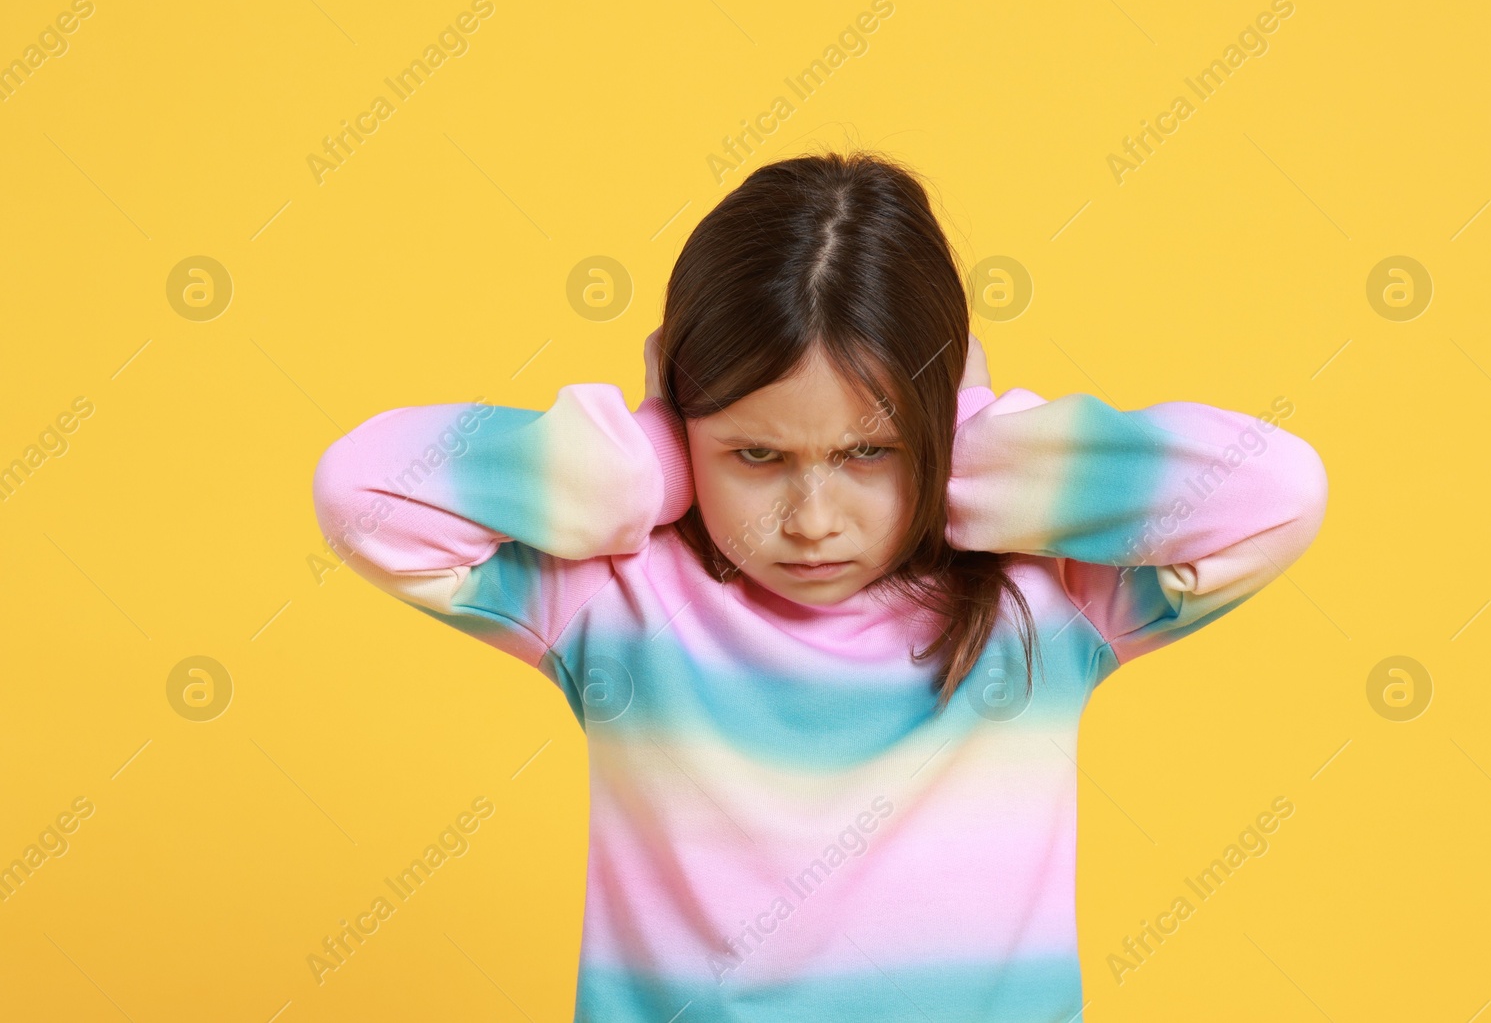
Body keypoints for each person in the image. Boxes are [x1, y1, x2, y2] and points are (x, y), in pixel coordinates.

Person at [310, 149, 1328, 1021]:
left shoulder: (1046, 600)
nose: (810, 519)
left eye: (869, 452)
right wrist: (638, 466)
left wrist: (967, 453)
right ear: (679, 420)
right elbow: (361, 490)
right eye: (754, 456)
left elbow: (1274, 489)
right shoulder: (614, 600)